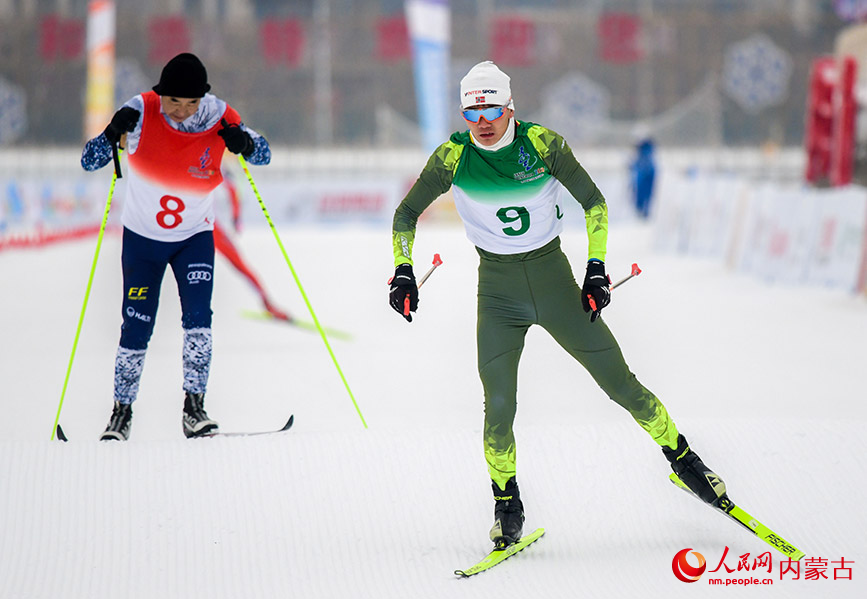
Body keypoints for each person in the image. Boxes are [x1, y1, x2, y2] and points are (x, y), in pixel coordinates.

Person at [388, 61, 724, 548]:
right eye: (471, 111)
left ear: (510, 107)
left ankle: (684, 460)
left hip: (554, 284)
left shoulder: (543, 144)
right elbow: (406, 212)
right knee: (498, 407)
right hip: (498, 294)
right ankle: (507, 503)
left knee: (620, 384)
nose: (482, 121)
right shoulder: (451, 157)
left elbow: (595, 203)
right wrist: (402, 270)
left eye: (491, 109)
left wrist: (595, 267)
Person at [81, 52, 271, 440]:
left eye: (191, 103)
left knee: (199, 321)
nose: (183, 112)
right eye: (174, 103)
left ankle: (194, 410)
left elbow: (264, 154)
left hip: (194, 239)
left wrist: (245, 143)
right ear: (160, 94)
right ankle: (121, 414)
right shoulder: (140, 110)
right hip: (143, 242)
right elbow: (89, 161)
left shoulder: (219, 115)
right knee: (136, 328)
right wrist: (108, 133)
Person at [629, 136, 656, 219]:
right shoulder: (649, 153)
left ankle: (641, 210)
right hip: (645, 176)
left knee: (641, 193)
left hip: (642, 176)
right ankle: (644, 211)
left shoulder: (642, 153)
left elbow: (638, 165)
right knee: (646, 194)